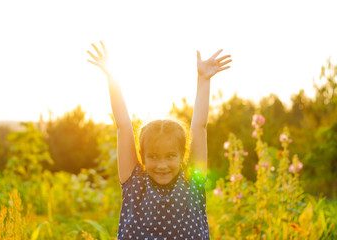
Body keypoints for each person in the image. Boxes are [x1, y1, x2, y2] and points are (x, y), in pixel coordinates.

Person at [87, 42, 232, 240]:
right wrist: (112, 78)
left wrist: (203, 79)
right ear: (143, 156)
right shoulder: (135, 183)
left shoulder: (192, 182)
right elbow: (123, 126)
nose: (162, 165)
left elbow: (199, 127)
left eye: (170, 156)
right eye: (153, 156)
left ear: (182, 155)